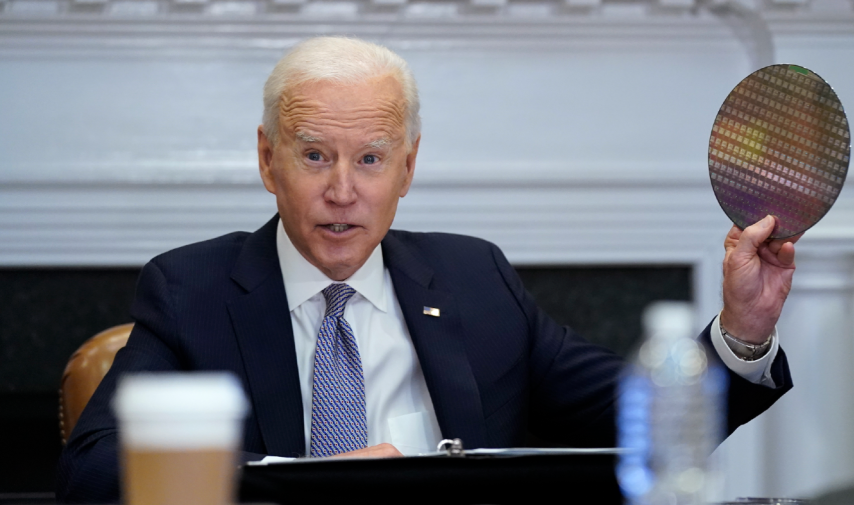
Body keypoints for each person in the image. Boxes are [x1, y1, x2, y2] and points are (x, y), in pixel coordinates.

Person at [57, 37, 796, 502]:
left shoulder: (474, 279)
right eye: (315, 155)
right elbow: (89, 471)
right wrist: (307, 480)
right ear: (266, 159)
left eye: (370, 159)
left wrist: (742, 330)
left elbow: (646, 417)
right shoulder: (192, 291)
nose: (342, 190)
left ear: (407, 167)